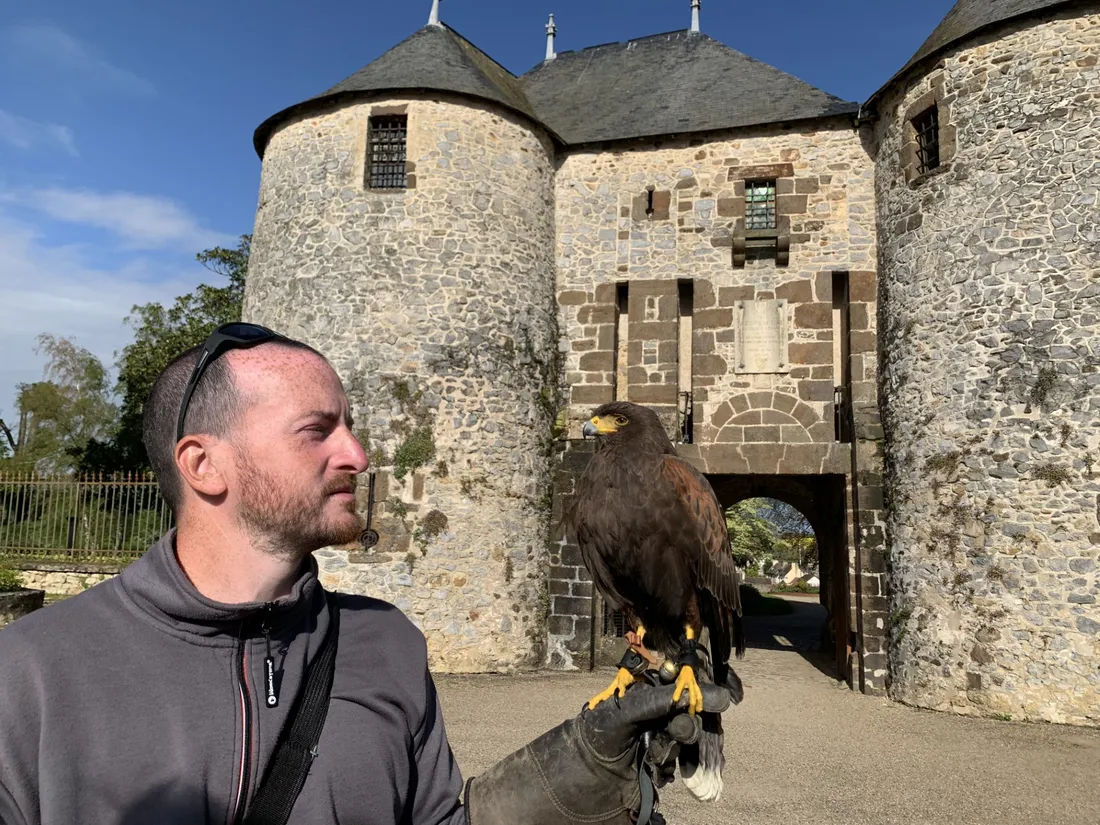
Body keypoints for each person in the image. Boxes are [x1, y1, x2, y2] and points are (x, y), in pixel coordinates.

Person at [0, 323, 729, 825]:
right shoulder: (30, 675)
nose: (358, 453)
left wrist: (584, 766)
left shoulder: (386, 645)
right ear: (203, 464)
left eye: (350, 424)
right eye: (319, 430)